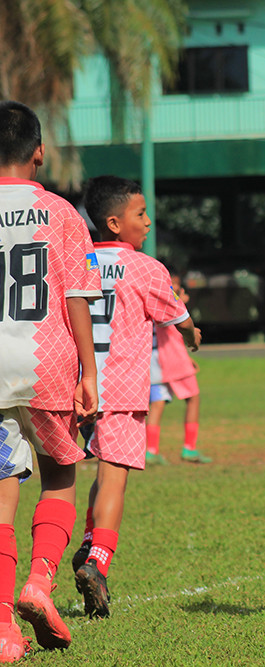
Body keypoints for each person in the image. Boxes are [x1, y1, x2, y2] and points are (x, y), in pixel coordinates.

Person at [71, 175, 200, 619]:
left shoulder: (77, 260)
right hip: (122, 387)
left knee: (96, 474)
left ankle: (88, 542)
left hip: (78, 384)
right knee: (115, 475)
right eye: (140, 214)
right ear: (113, 222)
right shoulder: (146, 267)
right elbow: (177, 316)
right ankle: (98, 562)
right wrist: (192, 334)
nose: (148, 221)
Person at [0, 100, 102, 660]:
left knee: (0, 489)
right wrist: (89, 371)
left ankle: (1, 628)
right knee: (61, 471)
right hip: (46, 362)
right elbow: (76, 295)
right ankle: (39, 582)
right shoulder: (60, 213)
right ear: (39, 151)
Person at [146, 269, 210, 465]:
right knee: (193, 398)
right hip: (173, 360)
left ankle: (151, 451)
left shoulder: (153, 301)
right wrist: (180, 299)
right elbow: (181, 327)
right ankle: (189, 448)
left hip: (156, 359)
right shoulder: (169, 303)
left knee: (157, 404)